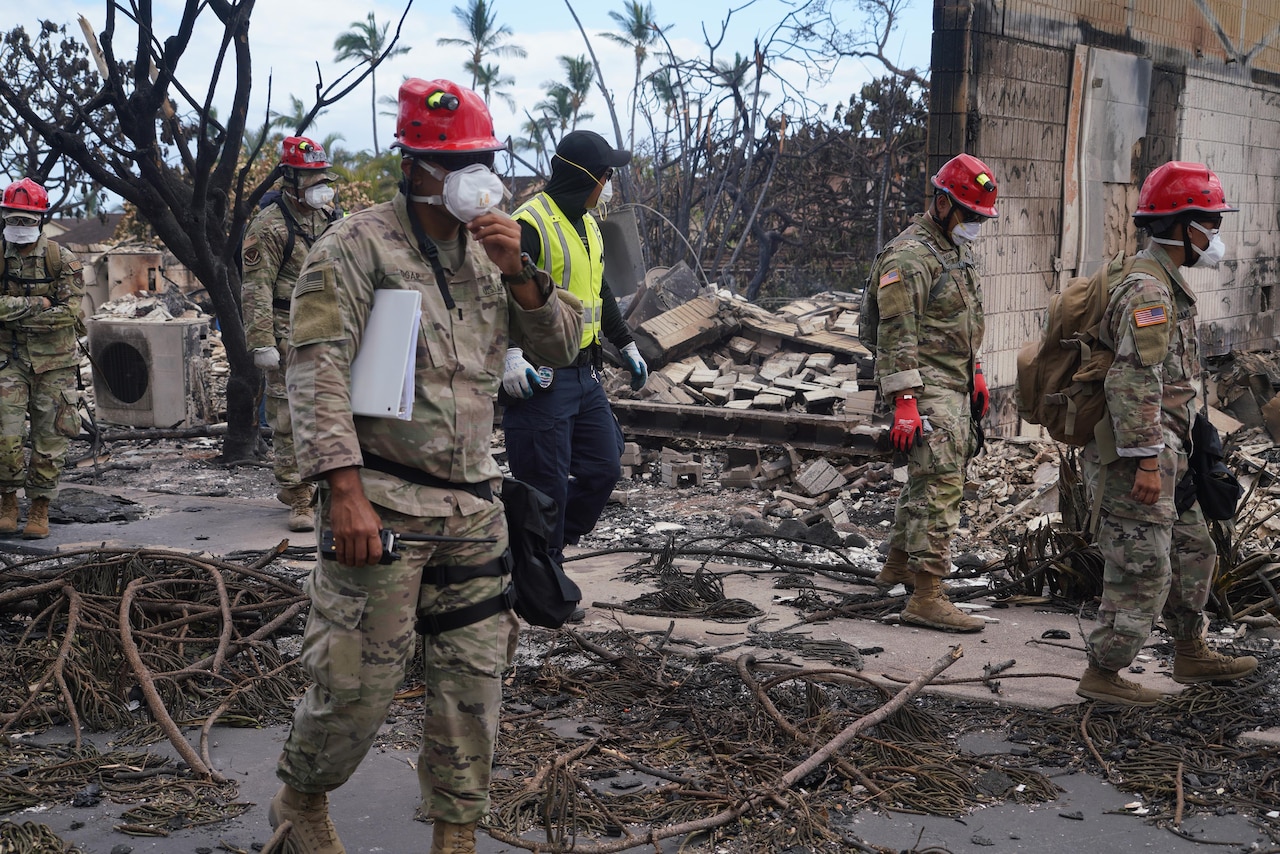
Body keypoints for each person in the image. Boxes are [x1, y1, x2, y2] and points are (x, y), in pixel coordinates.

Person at [272, 78, 582, 854]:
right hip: (380, 505)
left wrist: (521, 272)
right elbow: (316, 370)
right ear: (416, 167)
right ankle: (300, 800)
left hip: (473, 513)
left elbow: (563, 344)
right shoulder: (353, 246)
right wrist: (342, 492)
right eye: (460, 161)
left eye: (484, 158)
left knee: (472, 692)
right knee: (355, 688)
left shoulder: (497, 250)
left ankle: (456, 835)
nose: (479, 173)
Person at [1074, 161, 1256, 706]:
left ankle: (1189, 650)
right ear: (1181, 228)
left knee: (1194, 548)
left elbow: (1174, 378)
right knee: (1144, 568)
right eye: (1209, 223)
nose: (1214, 235)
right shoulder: (1148, 292)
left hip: (1173, 450)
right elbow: (1134, 382)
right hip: (1138, 457)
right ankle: (1103, 673)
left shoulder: (1166, 285)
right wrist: (1148, 462)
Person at [503, 130, 648, 598]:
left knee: (604, 466)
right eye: (606, 175)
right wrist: (509, 354)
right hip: (541, 375)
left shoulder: (587, 225)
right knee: (545, 485)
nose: (607, 184)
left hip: (584, 375)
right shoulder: (529, 224)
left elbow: (599, 290)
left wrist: (625, 343)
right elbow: (495, 293)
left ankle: (542, 550)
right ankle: (544, 581)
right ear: (588, 177)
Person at [869, 153, 997, 633]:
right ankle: (927, 594)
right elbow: (896, 331)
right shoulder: (909, 257)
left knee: (928, 480)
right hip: (923, 386)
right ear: (943, 203)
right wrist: (904, 402)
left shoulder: (952, 250)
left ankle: (899, 565)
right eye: (971, 214)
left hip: (953, 381)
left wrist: (977, 370)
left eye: (982, 217)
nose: (976, 225)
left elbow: (964, 320)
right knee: (943, 484)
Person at [242, 136, 341, 532]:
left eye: (323, 176)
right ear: (289, 178)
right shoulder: (268, 225)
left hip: (331, 326)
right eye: (311, 177)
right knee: (288, 416)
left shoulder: (331, 217)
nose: (320, 184)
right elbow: (256, 288)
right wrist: (261, 341)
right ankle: (298, 495)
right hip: (286, 328)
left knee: (331, 410)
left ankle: (325, 487)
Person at [0, 178, 85, 540]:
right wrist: (39, 303)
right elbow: (53, 308)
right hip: (9, 360)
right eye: (13, 219)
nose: (20, 227)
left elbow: (70, 313)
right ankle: (7, 501)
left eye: (26, 220)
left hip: (56, 365)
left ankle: (39, 507)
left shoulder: (61, 259)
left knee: (50, 442)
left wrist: (12, 311)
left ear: (40, 219)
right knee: (5, 436)